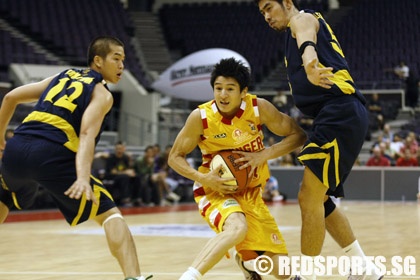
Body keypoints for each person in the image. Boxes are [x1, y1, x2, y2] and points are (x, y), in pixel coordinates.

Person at [0, 36, 150, 280]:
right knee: (110, 214)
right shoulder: (102, 93)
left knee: (4, 195)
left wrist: (0, 139)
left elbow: (10, 98)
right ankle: (134, 278)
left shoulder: (62, 76)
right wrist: (82, 177)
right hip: (50, 153)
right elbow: (87, 134)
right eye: (116, 59)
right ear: (98, 61)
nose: (122, 65)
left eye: (124, 60)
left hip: (17, 147)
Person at [254, 1, 384, 279]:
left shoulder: (301, 20)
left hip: (340, 112)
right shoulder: (291, 37)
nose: (266, 16)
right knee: (320, 200)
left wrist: (310, 63)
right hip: (335, 115)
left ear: (287, 3)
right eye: (262, 12)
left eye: (269, 7)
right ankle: (364, 269)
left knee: (307, 197)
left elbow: (306, 33)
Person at [168, 57, 307, 280]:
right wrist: (204, 179)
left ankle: (249, 262)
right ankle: (189, 277)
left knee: (285, 273)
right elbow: (174, 157)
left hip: (251, 193)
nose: (223, 94)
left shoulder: (259, 108)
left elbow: (298, 135)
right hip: (215, 190)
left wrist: (263, 155)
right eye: (218, 88)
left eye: (230, 89)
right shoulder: (201, 117)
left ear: (243, 91)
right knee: (237, 228)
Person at [105, 141, 138, 207]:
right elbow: (113, 171)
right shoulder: (111, 158)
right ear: (115, 149)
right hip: (112, 177)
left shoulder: (125, 158)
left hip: (123, 176)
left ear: (124, 149)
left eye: (120, 148)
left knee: (137, 177)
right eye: (117, 148)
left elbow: (128, 169)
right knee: (124, 177)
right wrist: (126, 172)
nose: (119, 150)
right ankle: (125, 199)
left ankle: (136, 199)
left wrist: (131, 173)